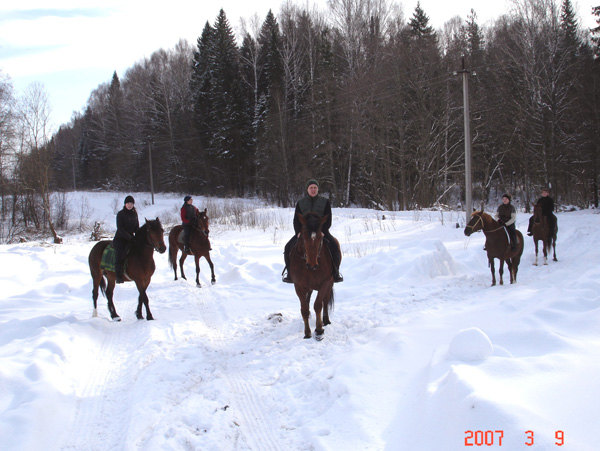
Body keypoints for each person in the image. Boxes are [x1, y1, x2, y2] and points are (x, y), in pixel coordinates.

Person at [282, 179, 343, 283]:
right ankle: (289, 274)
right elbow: (296, 220)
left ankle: (335, 273)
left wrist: (324, 231)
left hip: (321, 231)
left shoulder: (325, 202)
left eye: (315, 187)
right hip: (304, 232)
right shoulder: (301, 203)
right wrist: (298, 232)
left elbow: (328, 219)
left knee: (334, 247)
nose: (313, 190)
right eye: (311, 188)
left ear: (318, 189)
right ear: (307, 189)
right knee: (288, 247)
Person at [113, 195, 139, 283]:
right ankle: (119, 276)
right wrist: (130, 237)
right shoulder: (120, 214)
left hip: (131, 238)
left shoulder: (135, 214)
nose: (129, 205)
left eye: (131, 203)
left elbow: (136, 227)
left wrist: (139, 235)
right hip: (120, 238)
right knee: (120, 254)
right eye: (128, 203)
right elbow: (120, 228)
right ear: (125, 204)